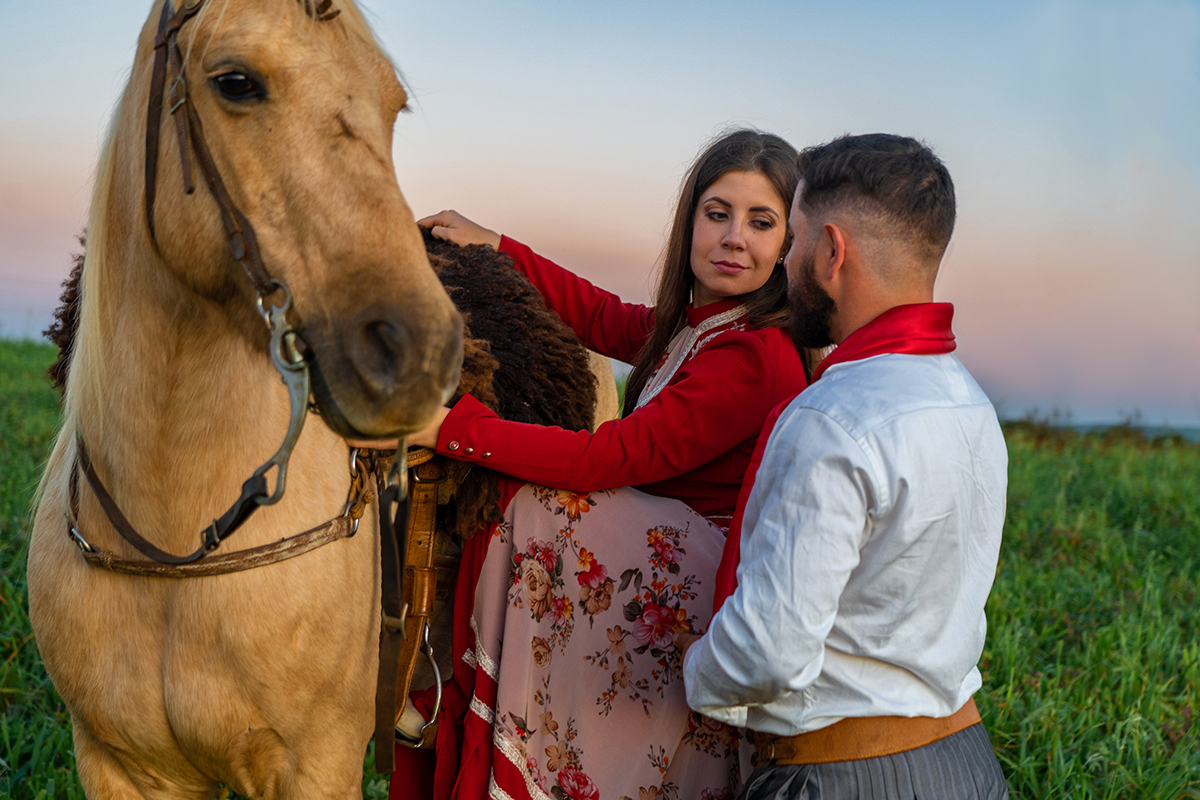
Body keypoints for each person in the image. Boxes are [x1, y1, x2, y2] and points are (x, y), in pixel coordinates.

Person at [384, 130, 811, 800]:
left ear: (787, 244)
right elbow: (605, 317)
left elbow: (614, 456)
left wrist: (453, 428)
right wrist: (499, 249)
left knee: (532, 503)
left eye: (761, 223)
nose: (734, 239)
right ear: (690, 222)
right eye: (717, 214)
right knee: (531, 498)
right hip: (662, 538)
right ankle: (452, 683)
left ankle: (452, 688)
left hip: (700, 576)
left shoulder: (752, 355)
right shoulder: (706, 325)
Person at [678, 133, 1010, 798]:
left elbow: (767, 652)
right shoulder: (969, 401)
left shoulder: (830, 418)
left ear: (831, 251)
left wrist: (694, 666)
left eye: (793, 239)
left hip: (840, 776)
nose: (785, 261)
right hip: (969, 767)